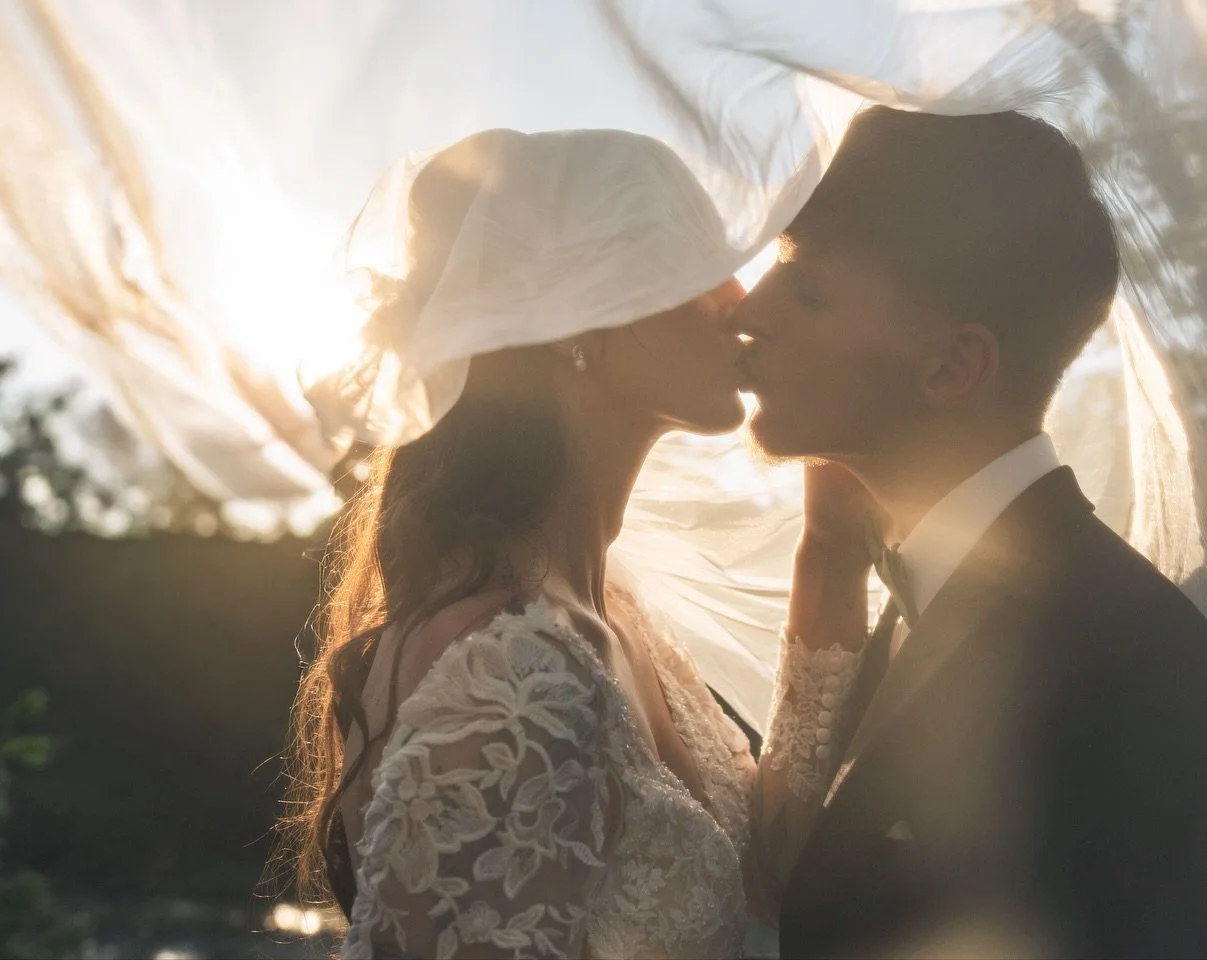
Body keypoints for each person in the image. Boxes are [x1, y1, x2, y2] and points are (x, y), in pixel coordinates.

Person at [281, 127, 857, 959]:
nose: (739, 296)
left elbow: (765, 875)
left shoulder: (611, 606)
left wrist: (829, 550)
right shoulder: (514, 670)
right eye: (690, 260)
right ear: (566, 319)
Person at [737, 106, 1207, 958]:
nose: (749, 309)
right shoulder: (913, 605)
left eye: (808, 289)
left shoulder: (1143, 669)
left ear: (954, 366)